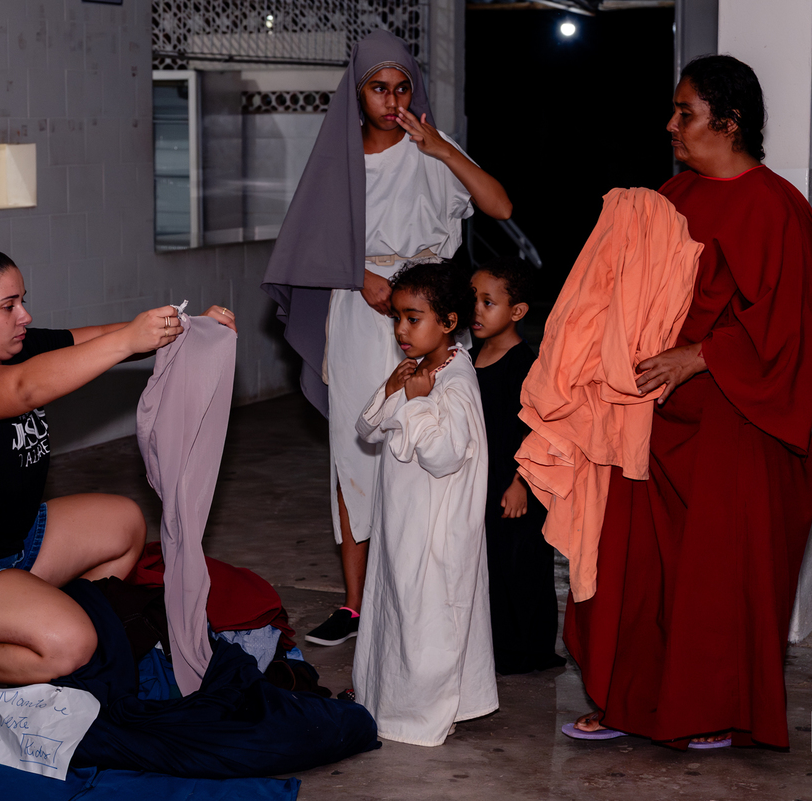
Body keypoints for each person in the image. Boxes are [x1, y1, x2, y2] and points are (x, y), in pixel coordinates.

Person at [0, 217, 237, 736]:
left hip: (12, 547)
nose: (24, 316)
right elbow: (23, 390)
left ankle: (28, 626)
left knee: (124, 524)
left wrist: (181, 327)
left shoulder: (19, 345)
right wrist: (126, 340)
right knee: (72, 644)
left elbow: (101, 339)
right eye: (8, 306)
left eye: (23, 300)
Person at [563, 55, 812, 749]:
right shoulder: (672, 194)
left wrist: (700, 355)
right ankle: (630, 700)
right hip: (653, 412)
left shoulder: (779, 210)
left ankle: (710, 710)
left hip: (734, 422)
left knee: (713, 574)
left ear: (729, 124)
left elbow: (786, 328)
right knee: (637, 564)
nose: (671, 124)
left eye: (685, 113)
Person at [262, 31, 512, 647]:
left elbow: (500, 207)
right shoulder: (338, 158)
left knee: (429, 439)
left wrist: (442, 150)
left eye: (402, 87)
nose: (392, 100)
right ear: (358, 92)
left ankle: (417, 592)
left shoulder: (432, 149)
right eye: (379, 88)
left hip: (427, 310)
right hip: (358, 310)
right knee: (356, 453)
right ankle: (354, 606)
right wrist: (361, 276)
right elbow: (301, 246)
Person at [352, 262, 497, 747]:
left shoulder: (456, 382)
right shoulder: (414, 372)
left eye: (413, 318)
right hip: (402, 523)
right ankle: (387, 700)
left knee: (429, 617)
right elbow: (368, 429)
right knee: (398, 609)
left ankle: (424, 713)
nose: (400, 330)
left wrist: (416, 403)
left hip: (436, 529)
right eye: (397, 318)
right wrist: (396, 389)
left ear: (450, 322)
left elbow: (443, 456)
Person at [470, 258, 566, 674]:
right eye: (472, 298)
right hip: (482, 483)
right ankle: (493, 644)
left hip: (517, 486)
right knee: (488, 565)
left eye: (487, 301)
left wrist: (521, 483)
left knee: (521, 567)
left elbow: (540, 431)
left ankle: (528, 651)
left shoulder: (525, 365)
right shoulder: (469, 357)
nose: (475, 308)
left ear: (517, 311)